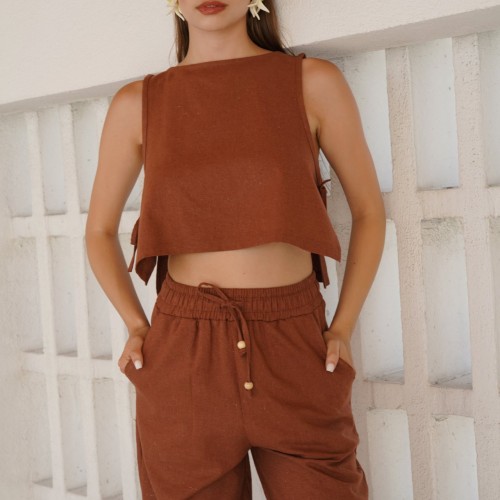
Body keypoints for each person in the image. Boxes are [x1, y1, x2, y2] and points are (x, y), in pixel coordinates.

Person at [85, 0, 385, 498]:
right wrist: (138, 326)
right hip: (183, 352)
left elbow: (370, 212)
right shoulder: (136, 103)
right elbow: (98, 231)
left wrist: (343, 327)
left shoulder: (313, 82)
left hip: (296, 345)